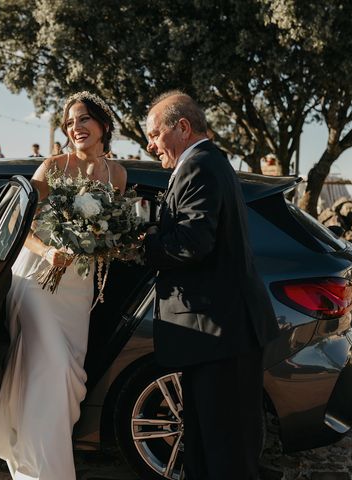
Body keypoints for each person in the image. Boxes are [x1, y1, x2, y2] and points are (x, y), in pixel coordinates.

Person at [0, 91, 126, 480]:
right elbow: (18, 227)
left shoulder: (118, 175)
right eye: (71, 122)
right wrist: (48, 251)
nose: (76, 128)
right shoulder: (53, 166)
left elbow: (110, 233)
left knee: (64, 376)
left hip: (79, 287)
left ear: (103, 125)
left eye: (83, 120)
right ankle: (46, 471)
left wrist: (104, 242)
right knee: (54, 367)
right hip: (38, 282)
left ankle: (39, 451)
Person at [143, 91, 279, 480]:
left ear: (182, 127)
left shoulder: (198, 167)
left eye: (155, 134)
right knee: (209, 446)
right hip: (217, 336)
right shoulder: (209, 163)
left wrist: (144, 245)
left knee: (227, 454)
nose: (151, 145)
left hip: (220, 335)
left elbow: (191, 244)